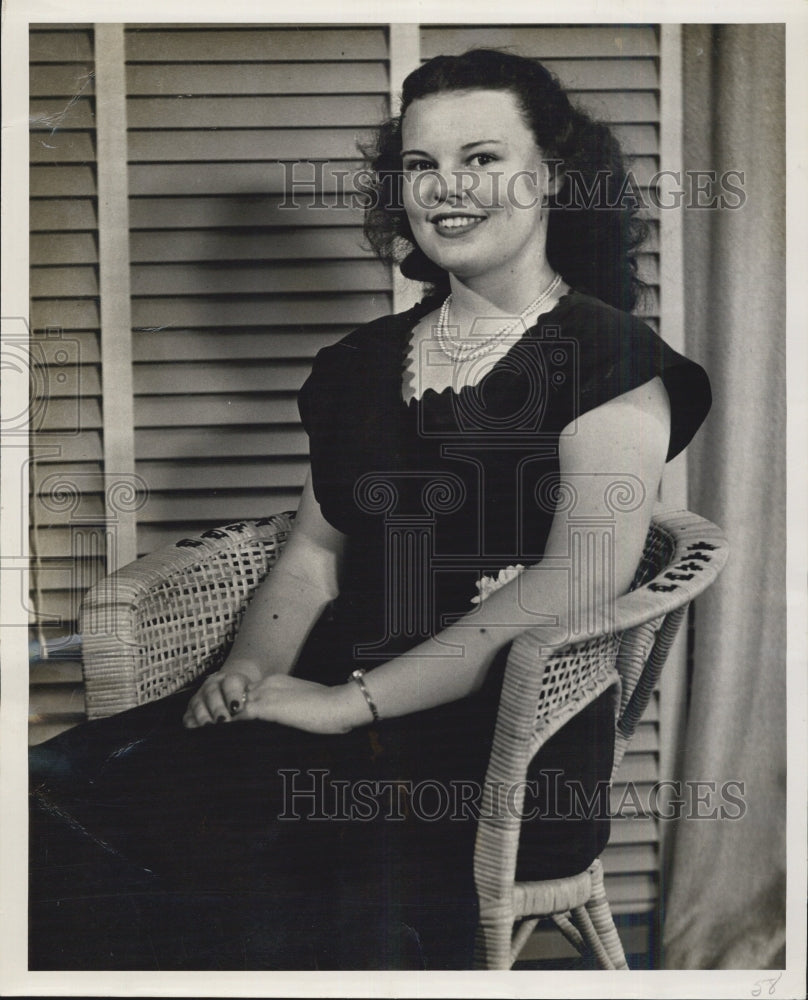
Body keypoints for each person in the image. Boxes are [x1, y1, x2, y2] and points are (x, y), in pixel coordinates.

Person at [29, 49, 711, 970]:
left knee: (217, 820)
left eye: (481, 159)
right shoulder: (360, 363)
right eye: (421, 165)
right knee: (50, 791)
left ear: (551, 175)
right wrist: (250, 668)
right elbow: (315, 551)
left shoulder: (610, 356)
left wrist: (344, 707)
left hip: (502, 735)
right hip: (320, 694)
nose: (447, 189)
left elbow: (574, 577)